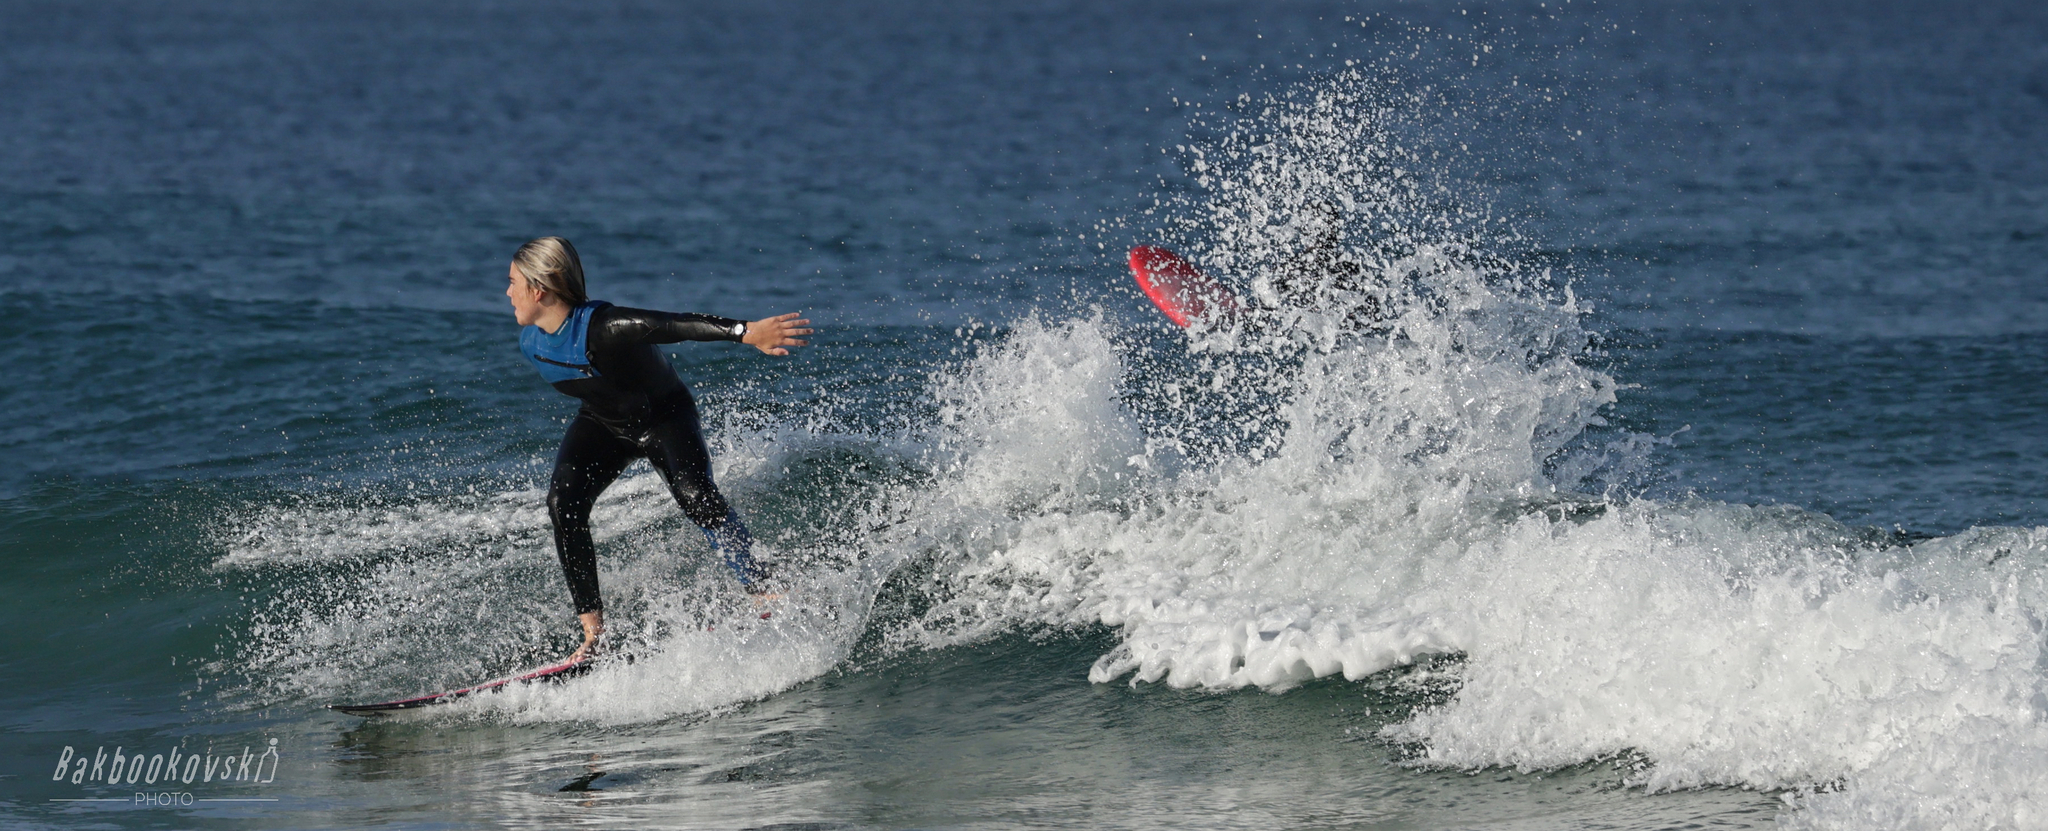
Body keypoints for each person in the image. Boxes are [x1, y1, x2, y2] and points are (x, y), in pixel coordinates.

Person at [504, 236, 811, 662]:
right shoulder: (531, 341)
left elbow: (674, 325)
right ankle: (594, 635)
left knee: (695, 495)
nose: (507, 292)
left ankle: (767, 589)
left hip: (663, 417)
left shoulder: (605, 326)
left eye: (513, 282)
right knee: (563, 503)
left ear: (539, 290)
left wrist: (746, 332)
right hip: (604, 423)